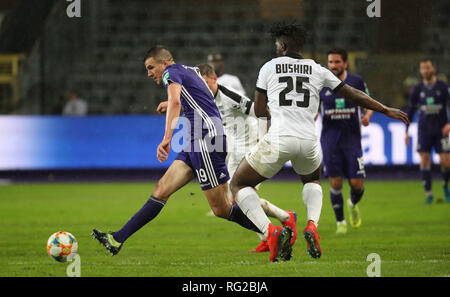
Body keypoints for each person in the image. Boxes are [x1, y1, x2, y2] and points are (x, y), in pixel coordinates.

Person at [229, 21, 410, 262]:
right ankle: (312, 226)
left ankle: (270, 231)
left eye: (276, 44)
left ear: (282, 45)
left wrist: (277, 114)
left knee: (238, 185)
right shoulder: (318, 69)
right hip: (309, 141)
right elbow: (352, 94)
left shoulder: (269, 67)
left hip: (279, 139)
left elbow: (260, 110)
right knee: (312, 180)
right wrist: (384, 108)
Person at [91, 45, 281, 258]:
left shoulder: (171, 73)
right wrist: (173, 104)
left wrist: (166, 138)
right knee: (161, 189)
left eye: (151, 67)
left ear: (164, 62)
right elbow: (200, 99)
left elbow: (176, 100)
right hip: (195, 142)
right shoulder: (192, 71)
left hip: (206, 141)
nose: (149, 73)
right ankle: (117, 238)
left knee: (222, 209)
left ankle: (272, 232)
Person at [196, 63, 298, 253]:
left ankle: (276, 227)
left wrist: (264, 140)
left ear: (214, 79)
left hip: (251, 146)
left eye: (205, 83)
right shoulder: (203, 98)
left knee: (240, 198)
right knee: (238, 200)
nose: (203, 88)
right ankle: (283, 220)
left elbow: (261, 112)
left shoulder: (229, 96)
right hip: (234, 150)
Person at [318, 48, 373, 235]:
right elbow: (313, 106)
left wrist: (368, 115)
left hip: (352, 141)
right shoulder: (321, 83)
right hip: (330, 141)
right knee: (335, 183)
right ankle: (340, 222)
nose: (333, 66)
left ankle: (352, 203)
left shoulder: (356, 81)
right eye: (330, 62)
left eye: (336, 62)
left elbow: (368, 101)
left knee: (357, 184)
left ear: (345, 63)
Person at [405, 58, 450, 204]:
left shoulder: (443, 86)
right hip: (424, 130)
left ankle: (444, 186)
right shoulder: (417, 89)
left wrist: (449, 123)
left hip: (441, 130)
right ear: (420, 71)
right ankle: (429, 194)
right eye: (423, 68)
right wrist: (406, 130)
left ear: (433, 69)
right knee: (424, 160)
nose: (425, 71)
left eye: (428, 68)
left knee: (446, 162)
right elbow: (411, 109)